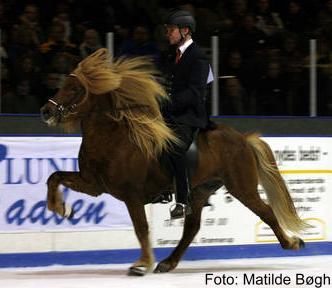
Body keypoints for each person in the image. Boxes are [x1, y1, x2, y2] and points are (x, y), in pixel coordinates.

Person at [162, 8, 211, 219]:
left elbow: (194, 93)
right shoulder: (175, 55)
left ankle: (183, 199)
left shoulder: (198, 57)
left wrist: (168, 104)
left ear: (185, 31)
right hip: (172, 112)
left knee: (174, 146)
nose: (168, 33)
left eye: (171, 30)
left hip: (189, 116)